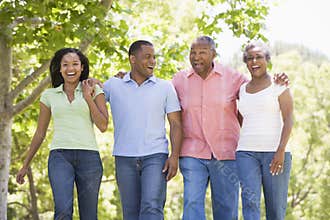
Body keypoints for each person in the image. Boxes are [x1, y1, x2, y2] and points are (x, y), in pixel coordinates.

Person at [171, 36, 288, 220]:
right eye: (192, 53)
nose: (196, 57)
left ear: (214, 54)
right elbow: (159, 94)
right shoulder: (179, 80)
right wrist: (126, 77)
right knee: (192, 204)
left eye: (202, 52)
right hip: (192, 152)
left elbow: (257, 90)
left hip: (226, 153)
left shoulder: (234, 78)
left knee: (226, 207)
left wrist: (277, 79)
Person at [16, 48, 109, 220]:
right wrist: (25, 164)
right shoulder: (49, 95)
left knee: (89, 215)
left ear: (82, 67)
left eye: (75, 64)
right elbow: (40, 133)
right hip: (60, 157)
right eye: (65, 64)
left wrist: (88, 97)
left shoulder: (94, 90)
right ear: (59, 69)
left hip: (89, 158)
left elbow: (103, 125)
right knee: (63, 211)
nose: (70, 68)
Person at [103, 40, 182, 220]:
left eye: (154, 57)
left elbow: (176, 124)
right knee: (130, 212)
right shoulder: (113, 85)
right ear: (132, 59)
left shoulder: (165, 87)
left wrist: (174, 156)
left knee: (152, 207)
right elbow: (93, 99)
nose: (152, 61)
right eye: (147, 57)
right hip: (124, 157)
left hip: (155, 156)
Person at [236, 42, 293, 220]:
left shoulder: (278, 85)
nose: (254, 61)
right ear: (246, 62)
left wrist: (280, 150)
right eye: (250, 58)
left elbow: (289, 118)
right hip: (246, 153)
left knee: (275, 207)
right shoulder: (242, 90)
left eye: (259, 57)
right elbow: (242, 118)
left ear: (267, 60)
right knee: (250, 202)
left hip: (275, 153)